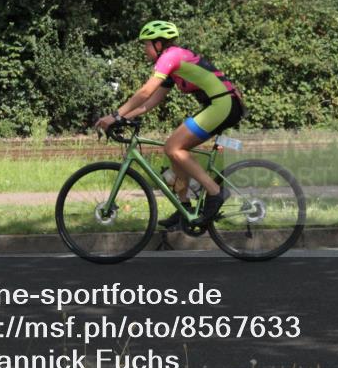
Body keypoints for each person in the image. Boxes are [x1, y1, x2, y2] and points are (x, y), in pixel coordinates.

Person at [94, 20, 245, 228]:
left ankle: (215, 192)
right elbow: (150, 102)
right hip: (219, 104)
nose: (144, 50)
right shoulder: (173, 67)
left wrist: (114, 115)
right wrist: (124, 118)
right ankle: (185, 208)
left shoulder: (170, 57)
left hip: (224, 103)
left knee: (173, 146)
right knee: (176, 153)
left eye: (146, 44)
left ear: (158, 43)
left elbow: (145, 91)